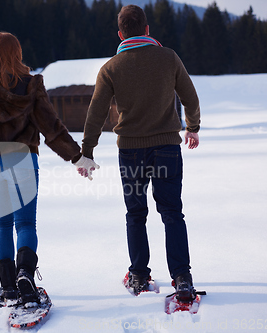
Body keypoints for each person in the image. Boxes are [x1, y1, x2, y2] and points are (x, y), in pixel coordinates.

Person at [0, 32, 98, 308]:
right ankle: (25, 275)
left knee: (3, 223)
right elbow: (50, 126)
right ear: (18, 54)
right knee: (25, 224)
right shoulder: (31, 85)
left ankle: (8, 286)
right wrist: (78, 158)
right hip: (22, 160)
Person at [81, 5, 201, 301]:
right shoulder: (168, 57)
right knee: (172, 213)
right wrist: (193, 127)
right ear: (147, 30)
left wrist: (87, 151)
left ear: (121, 34)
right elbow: (190, 96)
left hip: (131, 153)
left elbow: (95, 113)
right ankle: (182, 277)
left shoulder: (110, 68)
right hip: (168, 149)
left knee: (136, 213)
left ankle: (138, 273)